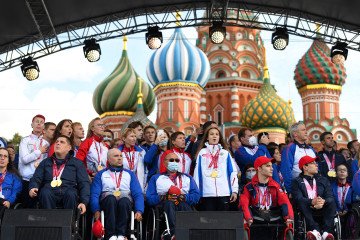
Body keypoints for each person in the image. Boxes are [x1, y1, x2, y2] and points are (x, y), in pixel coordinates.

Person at [90, 148, 144, 240]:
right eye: (116, 156)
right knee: (111, 199)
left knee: (124, 201)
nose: (119, 158)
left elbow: (138, 194)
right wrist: (96, 209)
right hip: (107, 200)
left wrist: (139, 210)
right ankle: (111, 235)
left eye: (120, 156)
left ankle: (121, 234)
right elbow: (94, 194)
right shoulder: (101, 174)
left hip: (125, 199)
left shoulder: (129, 174)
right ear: (109, 160)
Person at [29, 135, 89, 214]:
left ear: (69, 147)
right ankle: (49, 224)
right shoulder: (45, 162)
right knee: (44, 192)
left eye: (62, 142)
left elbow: (84, 183)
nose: (58, 143)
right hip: (49, 191)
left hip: (68, 191)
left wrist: (84, 202)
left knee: (71, 193)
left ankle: (69, 224)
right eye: (56, 142)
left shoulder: (77, 163)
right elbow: (36, 178)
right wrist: (32, 187)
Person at [147, 151, 200, 240]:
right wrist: (163, 197)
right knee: (169, 203)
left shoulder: (187, 177)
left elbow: (196, 195)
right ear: (164, 162)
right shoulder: (156, 178)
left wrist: (184, 197)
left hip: (183, 203)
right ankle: (173, 233)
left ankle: (186, 232)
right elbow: (149, 198)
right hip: (164, 204)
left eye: (177, 160)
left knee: (183, 204)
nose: (174, 162)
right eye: (171, 160)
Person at [239, 156, 293, 238]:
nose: (272, 169)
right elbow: (243, 203)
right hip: (256, 216)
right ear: (259, 169)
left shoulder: (276, 186)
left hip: (273, 214)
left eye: (271, 166)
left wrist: (288, 217)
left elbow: (285, 202)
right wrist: (248, 217)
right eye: (268, 166)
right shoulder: (249, 187)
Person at [193, 126, 238, 211]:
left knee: (223, 219)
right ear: (207, 137)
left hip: (224, 192)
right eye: (212, 134)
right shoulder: (202, 153)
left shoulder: (225, 153)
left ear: (219, 137)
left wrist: (234, 190)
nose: (214, 136)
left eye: (217, 134)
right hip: (206, 193)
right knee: (209, 220)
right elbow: (197, 174)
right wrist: (197, 193)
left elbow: (232, 172)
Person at [292, 156, 336, 240]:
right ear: (305, 167)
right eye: (313, 163)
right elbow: (298, 198)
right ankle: (315, 230)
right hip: (307, 208)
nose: (316, 165)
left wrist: (323, 201)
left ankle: (326, 232)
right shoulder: (296, 181)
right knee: (301, 202)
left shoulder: (323, 179)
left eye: (316, 163)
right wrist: (312, 202)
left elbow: (329, 196)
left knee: (332, 201)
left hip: (323, 207)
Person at [19, 114, 49, 208]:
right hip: (27, 180)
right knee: (28, 210)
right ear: (32, 124)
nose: (39, 124)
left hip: (41, 181)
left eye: (41, 122)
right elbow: (24, 159)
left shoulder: (46, 143)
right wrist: (39, 151)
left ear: (44, 126)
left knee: (40, 210)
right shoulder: (25, 140)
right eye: (37, 121)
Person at [280, 122, 316, 194]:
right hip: (299, 189)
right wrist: (290, 191)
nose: (306, 132)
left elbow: (317, 168)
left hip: (314, 187)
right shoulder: (289, 148)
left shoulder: (311, 149)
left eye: (305, 130)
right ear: (295, 134)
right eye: (303, 130)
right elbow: (286, 170)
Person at [331, 164, 352, 239]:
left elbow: (354, 201)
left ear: (347, 174)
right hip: (336, 213)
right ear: (336, 174)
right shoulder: (331, 186)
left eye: (344, 170)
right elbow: (331, 200)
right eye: (340, 170)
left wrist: (347, 209)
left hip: (350, 213)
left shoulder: (352, 186)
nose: (342, 171)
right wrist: (337, 210)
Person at [0, 148, 22, 217]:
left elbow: (15, 192)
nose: (2, 158)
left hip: (4, 204)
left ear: (8, 161)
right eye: (0, 155)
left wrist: (9, 201)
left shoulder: (14, 177)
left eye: (5, 156)